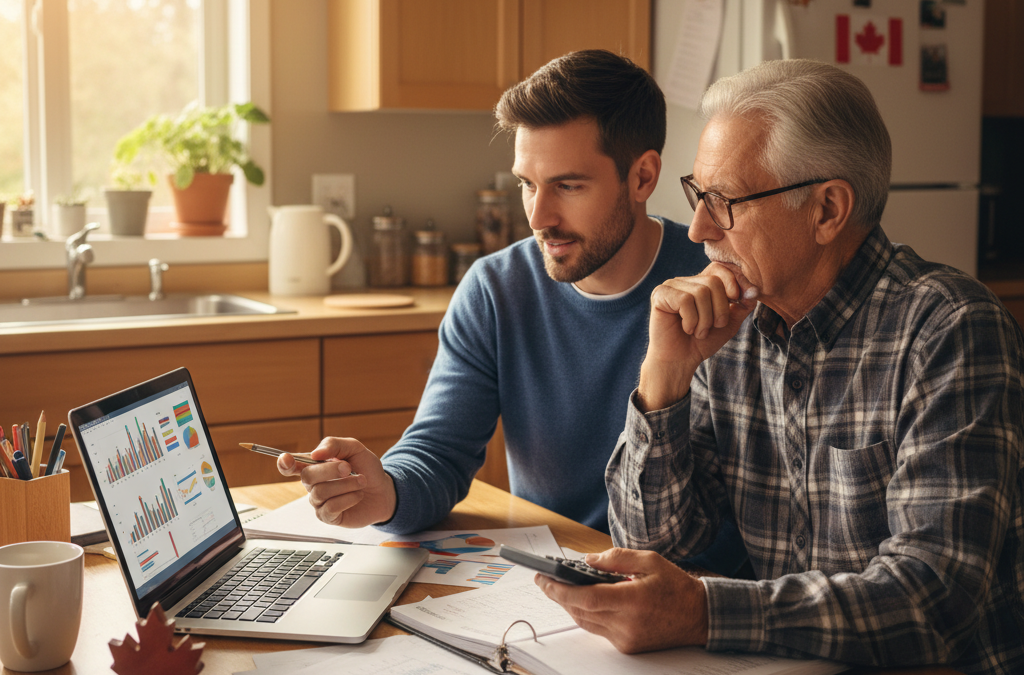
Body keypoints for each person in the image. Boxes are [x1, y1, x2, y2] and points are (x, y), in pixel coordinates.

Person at [536, 59, 1024, 674]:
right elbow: (654, 546)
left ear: (826, 210)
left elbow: (933, 600)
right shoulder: (734, 327)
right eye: (697, 195)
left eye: (724, 201)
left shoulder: (949, 328)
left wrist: (706, 612)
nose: (698, 228)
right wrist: (663, 379)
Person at [277, 50, 748, 575]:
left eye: (568, 186)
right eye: (527, 184)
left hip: (697, 594)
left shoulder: (721, 287)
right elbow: (439, 451)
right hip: (555, 581)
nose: (539, 216)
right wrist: (382, 493)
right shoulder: (495, 289)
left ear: (642, 177)